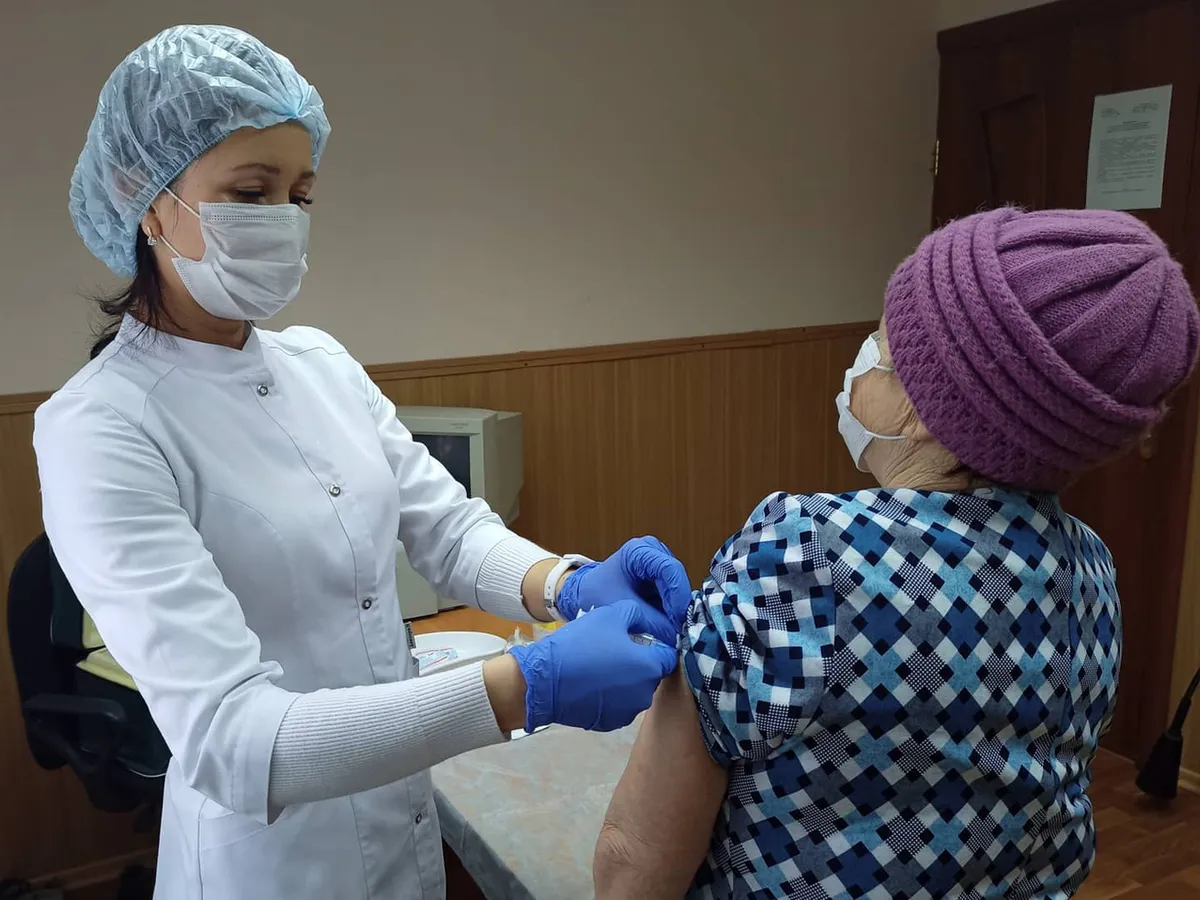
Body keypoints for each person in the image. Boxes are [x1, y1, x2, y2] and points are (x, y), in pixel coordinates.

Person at [36, 25, 688, 900]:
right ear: (145, 201)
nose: (283, 219)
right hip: (272, 865)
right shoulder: (99, 426)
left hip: (401, 828)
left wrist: (566, 584)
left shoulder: (321, 365)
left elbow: (449, 531)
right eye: (250, 192)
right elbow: (237, 740)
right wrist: (524, 686)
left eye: (300, 194)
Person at [593, 207, 1200, 899]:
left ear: (925, 408)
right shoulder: (1089, 572)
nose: (860, 362)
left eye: (881, 344)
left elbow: (634, 860)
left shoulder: (806, 555)